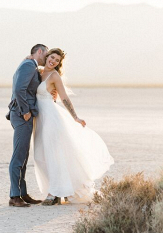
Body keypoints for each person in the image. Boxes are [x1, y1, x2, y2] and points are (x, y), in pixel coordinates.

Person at [33, 48, 114, 205]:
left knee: (53, 155)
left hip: (51, 117)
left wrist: (75, 117)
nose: (53, 61)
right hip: (40, 118)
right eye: (52, 57)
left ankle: (55, 193)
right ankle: (58, 189)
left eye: (57, 60)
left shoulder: (54, 76)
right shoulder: (39, 72)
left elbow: (64, 98)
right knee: (40, 155)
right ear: (47, 56)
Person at [6, 44, 48, 207]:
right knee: (18, 155)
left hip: (22, 114)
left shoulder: (29, 64)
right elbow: (19, 89)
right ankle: (14, 196)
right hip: (21, 114)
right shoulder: (29, 65)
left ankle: (22, 193)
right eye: (46, 53)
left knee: (23, 154)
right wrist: (25, 111)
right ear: (39, 52)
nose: (46, 57)